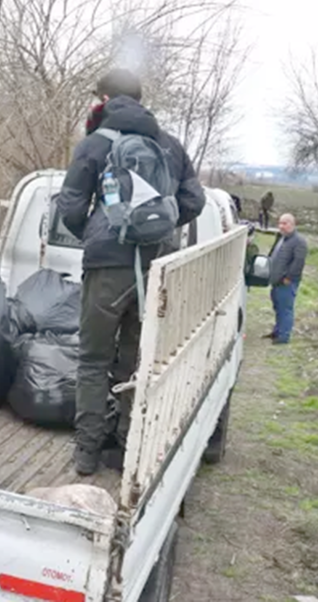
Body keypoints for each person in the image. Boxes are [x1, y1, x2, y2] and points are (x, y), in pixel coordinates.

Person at [57, 69, 206, 476]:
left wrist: (96, 232)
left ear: (105, 99)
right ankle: (126, 447)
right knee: (137, 360)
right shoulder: (169, 146)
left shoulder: (94, 143)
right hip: (155, 267)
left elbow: (69, 207)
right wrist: (160, 228)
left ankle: (86, 452)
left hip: (106, 267)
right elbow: (195, 199)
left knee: (92, 359)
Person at [266, 213, 308, 345]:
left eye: (285, 223)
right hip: (276, 281)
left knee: (285, 309)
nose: (281, 226)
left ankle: (283, 337)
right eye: (280, 223)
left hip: (286, 283)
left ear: (293, 224)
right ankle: (277, 331)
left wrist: (288, 278)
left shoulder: (299, 241)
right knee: (278, 307)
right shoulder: (281, 238)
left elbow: (298, 262)